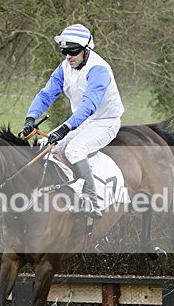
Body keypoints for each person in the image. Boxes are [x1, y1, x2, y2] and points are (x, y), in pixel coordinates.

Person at [21, 23, 125, 218]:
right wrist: (30, 117)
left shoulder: (99, 69)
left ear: (86, 50)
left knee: (74, 150)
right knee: (45, 145)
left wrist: (65, 128)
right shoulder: (64, 67)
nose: (68, 56)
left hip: (105, 121)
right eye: (64, 52)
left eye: (73, 51)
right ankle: (66, 193)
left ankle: (92, 202)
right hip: (83, 121)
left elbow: (89, 105)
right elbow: (46, 95)